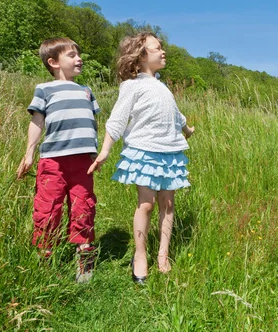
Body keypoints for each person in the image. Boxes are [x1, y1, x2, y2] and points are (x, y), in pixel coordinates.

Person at [88, 32, 194, 283]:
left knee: (168, 204)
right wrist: (105, 150)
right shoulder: (132, 86)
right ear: (141, 56)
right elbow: (117, 119)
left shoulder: (163, 87)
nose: (163, 51)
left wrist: (187, 130)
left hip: (170, 152)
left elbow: (176, 115)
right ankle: (140, 255)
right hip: (144, 151)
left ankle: (163, 255)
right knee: (146, 204)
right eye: (157, 48)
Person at [17, 37, 100, 283]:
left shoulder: (87, 91)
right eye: (72, 55)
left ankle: (84, 262)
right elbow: (37, 122)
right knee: (48, 208)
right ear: (53, 62)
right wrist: (29, 153)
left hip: (83, 162)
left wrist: (95, 149)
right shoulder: (45, 89)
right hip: (53, 161)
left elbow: (92, 122)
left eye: (79, 54)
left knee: (83, 207)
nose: (79, 58)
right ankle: (45, 263)